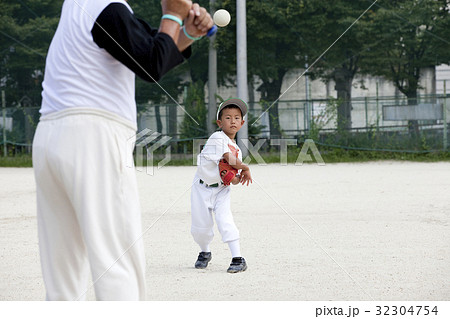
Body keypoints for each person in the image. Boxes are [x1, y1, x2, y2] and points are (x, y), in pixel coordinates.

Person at [32, 0, 213, 300]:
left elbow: (152, 49)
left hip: (50, 135)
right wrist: (172, 13)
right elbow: (151, 63)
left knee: (62, 275)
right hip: (92, 137)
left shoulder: (81, 6)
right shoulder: (108, 7)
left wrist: (186, 33)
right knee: (117, 262)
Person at [191, 98, 252, 273]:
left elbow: (231, 178)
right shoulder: (217, 137)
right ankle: (205, 252)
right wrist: (245, 167)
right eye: (227, 117)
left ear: (242, 122)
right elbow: (228, 158)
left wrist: (235, 177)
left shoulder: (238, 149)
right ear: (219, 122)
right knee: (200, 228)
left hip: (221, 191)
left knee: (225, 220)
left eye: (237, 117)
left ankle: (238, 258)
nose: (232, 121)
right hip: (201, 188)